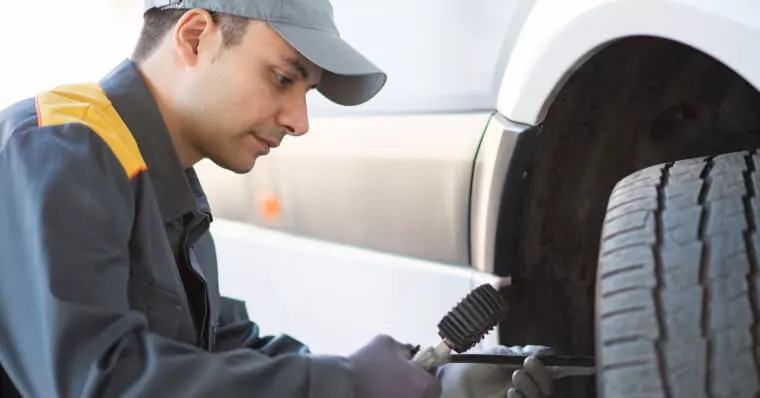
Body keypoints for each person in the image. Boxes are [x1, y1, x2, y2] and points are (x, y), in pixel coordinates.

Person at [0, 0, 594, 397]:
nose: (299, 121)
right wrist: (349, 387)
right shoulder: (61, 148)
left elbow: (224, 345)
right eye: (284, 78)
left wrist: (444, 383)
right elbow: (98, 382)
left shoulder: (162, 183)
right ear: (196, 36)